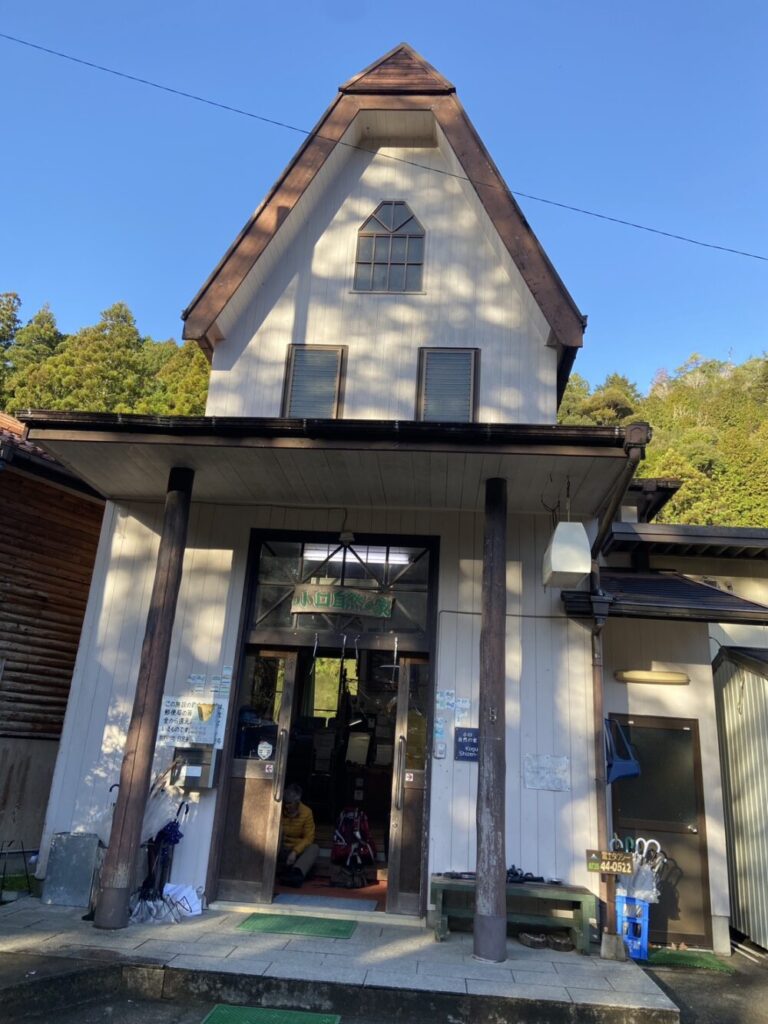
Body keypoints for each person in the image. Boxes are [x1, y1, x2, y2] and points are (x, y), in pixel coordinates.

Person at [277, 784, 319, 888]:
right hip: (281, 848)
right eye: (285, 803)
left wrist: (295, 852)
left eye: (290, 803)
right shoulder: (278, 809)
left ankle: (295, 875)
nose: (287, 806)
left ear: (297, 802)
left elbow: (309, 837)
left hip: (297, 851)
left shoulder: (307, 812)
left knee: (314, 848)